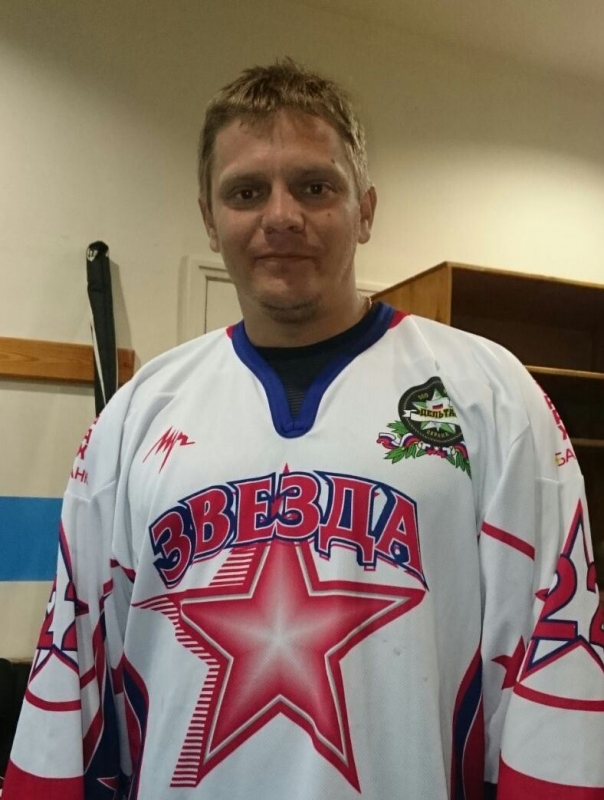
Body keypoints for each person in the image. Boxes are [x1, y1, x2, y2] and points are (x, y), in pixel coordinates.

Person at [3, 58, 603, 800]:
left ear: (366, 210)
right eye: (246, 192)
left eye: (315, 187)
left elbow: (556, 661)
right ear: (209, 217)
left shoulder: (494, 397)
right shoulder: (134, 416)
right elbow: (75, 675)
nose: (281, 216)